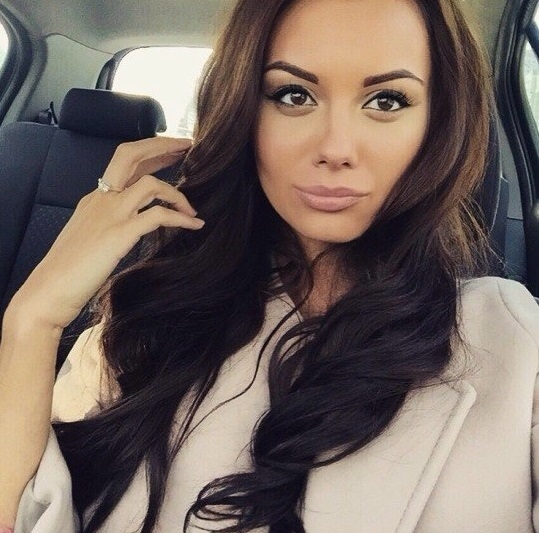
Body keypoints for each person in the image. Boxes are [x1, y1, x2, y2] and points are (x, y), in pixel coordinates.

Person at [1, 0, 539, 531]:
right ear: (243, 113)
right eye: (294, 95)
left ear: (438, 123)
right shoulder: (140, 325)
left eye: (387, 100)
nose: (336, 148)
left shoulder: (517, 344)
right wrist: (33, 319)